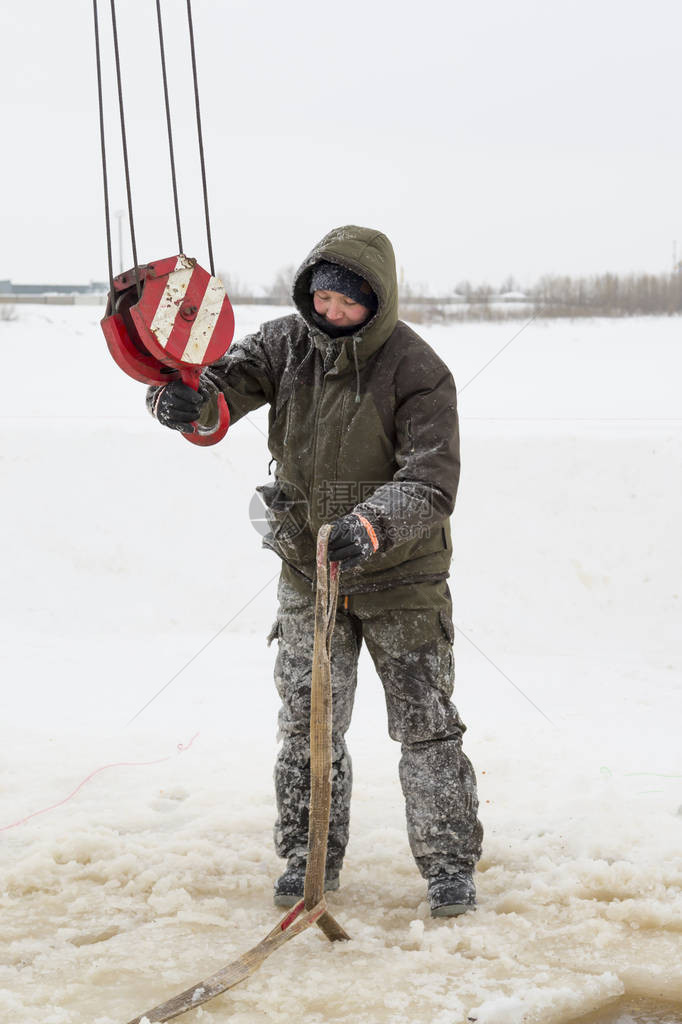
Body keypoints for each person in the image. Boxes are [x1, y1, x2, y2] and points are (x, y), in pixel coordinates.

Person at [148, 225, 484, 917]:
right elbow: (215, 392)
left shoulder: (419, 370)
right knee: (307, 724)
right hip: (311, 573)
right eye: (320, 296)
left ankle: (449, 864)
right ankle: (309, 854)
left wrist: (370, 525)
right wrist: (180, 402)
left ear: (378, 302)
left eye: (345, 302)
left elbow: (430, 480)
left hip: (402, 581)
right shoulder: (283, 343)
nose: (328, 312)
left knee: (426, 725)